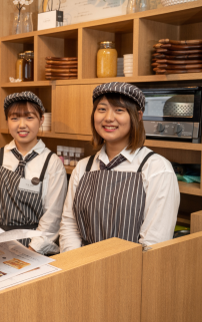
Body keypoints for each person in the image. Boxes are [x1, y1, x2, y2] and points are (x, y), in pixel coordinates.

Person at [58, 82, 179, 252]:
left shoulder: (157, 169)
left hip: (131, 272)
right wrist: (77, 266)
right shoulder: (83, 168)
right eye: (102, 109)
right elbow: (70, 225)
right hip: (83, 269)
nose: (108, 117)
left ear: (137, 116)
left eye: (119, 110)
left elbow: (154, 243)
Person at [0, 91, 67, 254]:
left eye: (29, 117)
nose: (22, 125)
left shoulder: (52, 163)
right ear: (7, 121)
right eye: (15, 118)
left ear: (41, 120)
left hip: (35, 247)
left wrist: (31, 250)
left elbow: (52, 219)